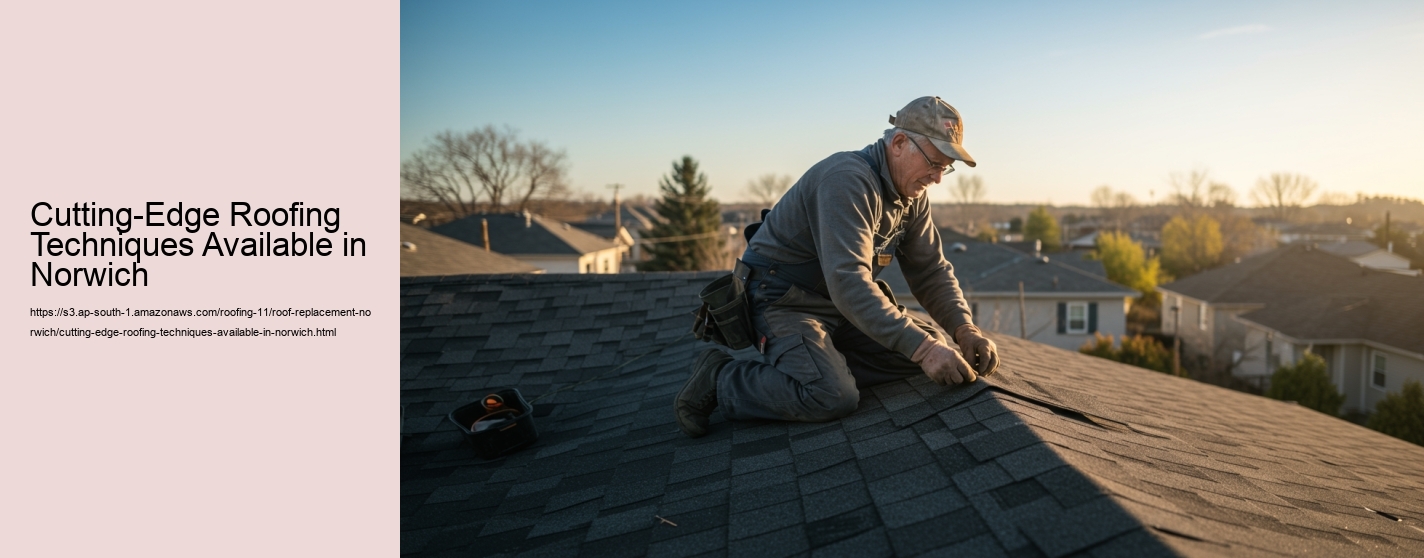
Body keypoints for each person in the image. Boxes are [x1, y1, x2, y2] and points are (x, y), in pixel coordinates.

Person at [675, 96, 1000, 438]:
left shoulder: (911, 197)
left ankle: (823, 362)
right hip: (783, 300)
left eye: (945, 167)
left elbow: (930, 270)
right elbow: (849, 281)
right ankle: (722, 377)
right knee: (833, 395)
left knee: (933, 345)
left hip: (838, 304)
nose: (937, 179)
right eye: (934, 163)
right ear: (900, 143)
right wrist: (923, 350)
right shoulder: (847, 180)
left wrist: (964, 330)